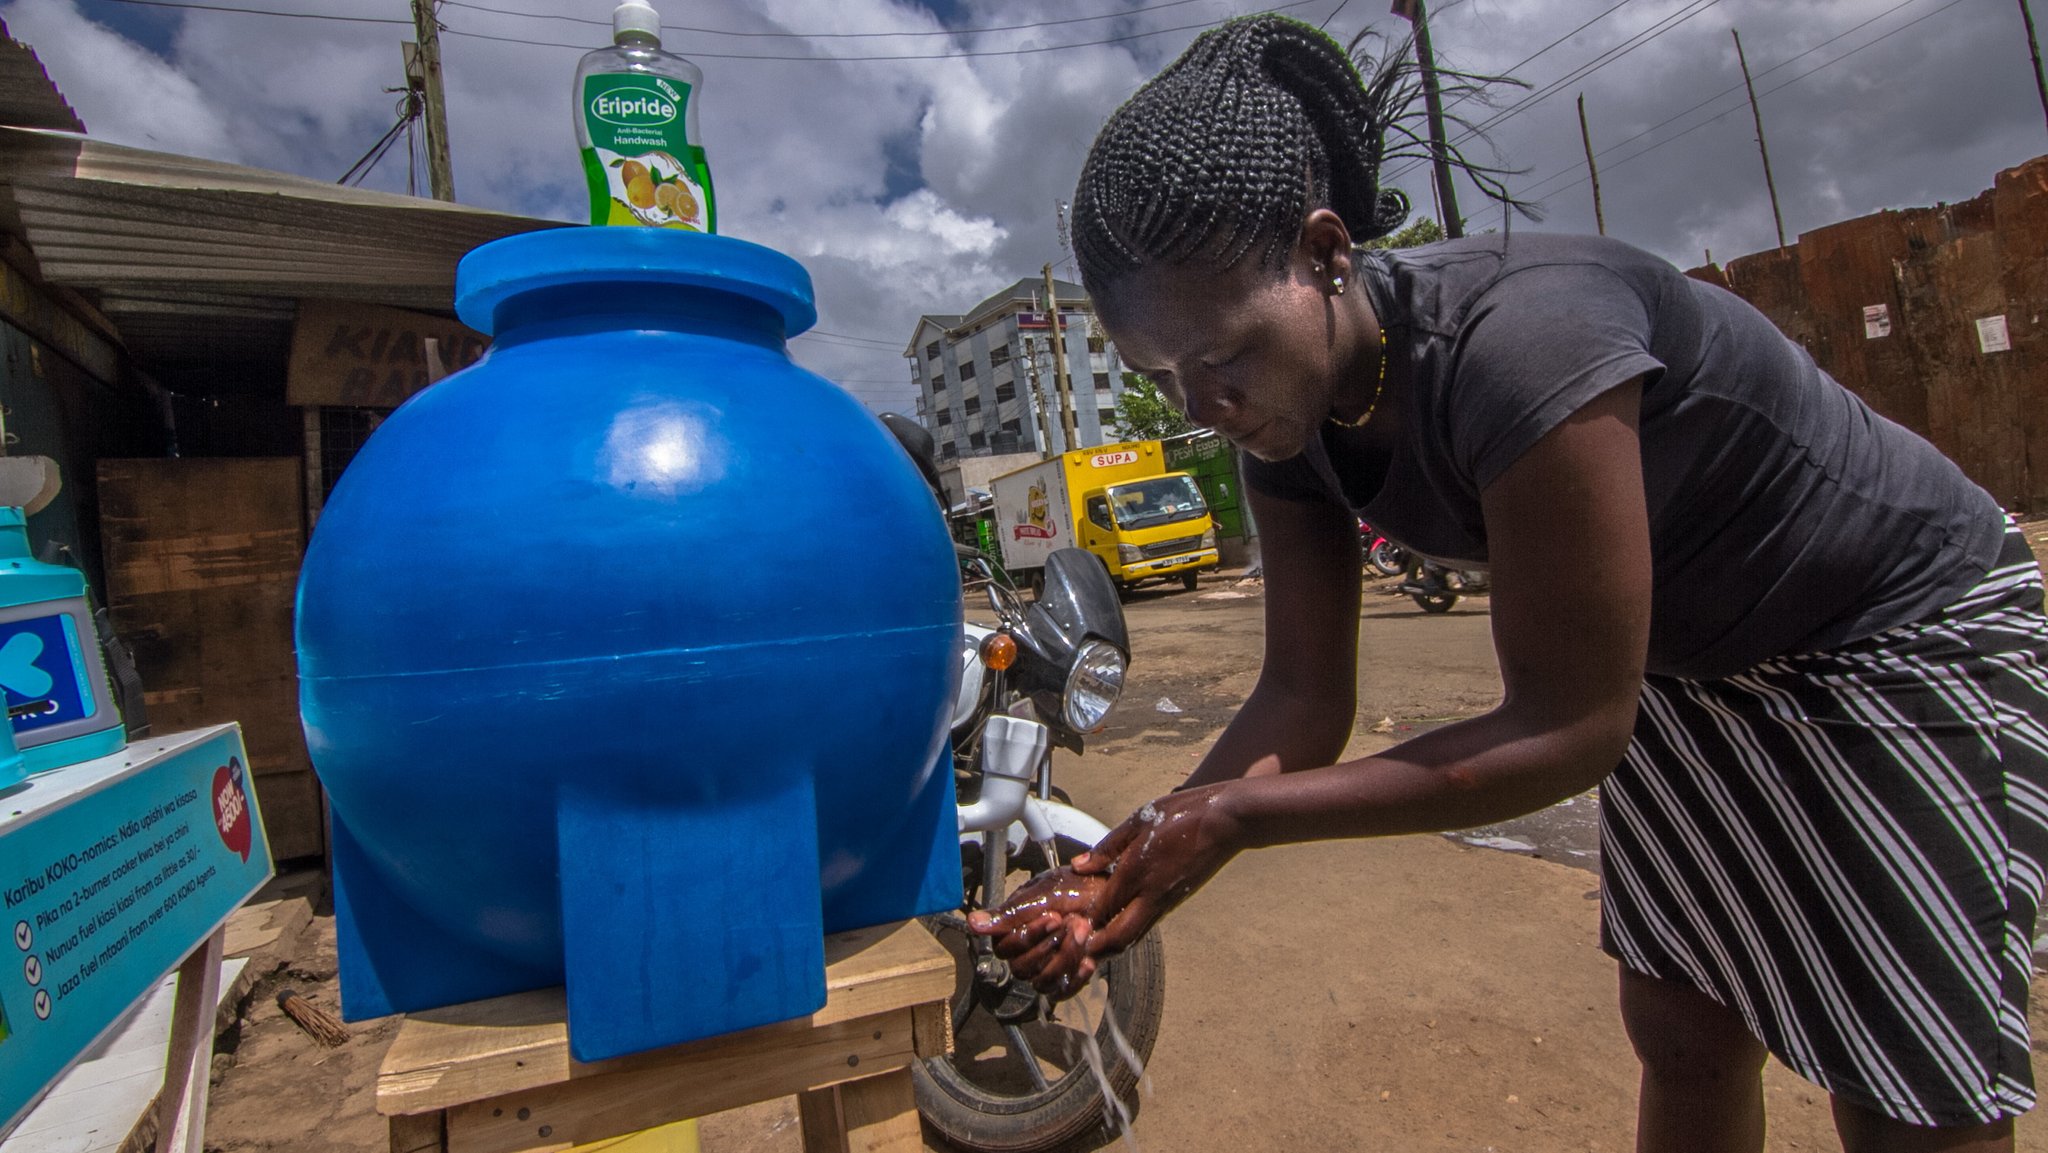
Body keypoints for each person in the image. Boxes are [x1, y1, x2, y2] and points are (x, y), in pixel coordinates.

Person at [968, 14, 2048, 1153]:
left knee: (1901, 1087)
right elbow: (1298, 700)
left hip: (1891, 633)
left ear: (1327, 254)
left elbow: (1568, 727)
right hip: (1684, 665)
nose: (1200, 406)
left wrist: (1230, 817)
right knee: (1681, 1017)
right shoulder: (1284, 425)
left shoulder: (1524, 348)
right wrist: (1119, 869)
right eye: (1162, 375)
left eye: (1221, 355)